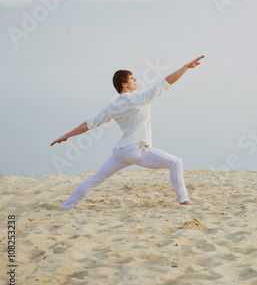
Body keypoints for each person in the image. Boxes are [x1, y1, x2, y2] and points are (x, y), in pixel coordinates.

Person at [51, 55, 205, 208]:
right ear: (124, 84)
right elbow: (168, 81)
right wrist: (185, 67)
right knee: (176, 162)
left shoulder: (112, 107)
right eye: (132, 78)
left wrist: (67, 135)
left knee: (96, 178)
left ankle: (67, 206)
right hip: (135, 150)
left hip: (120, 152)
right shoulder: (141, 99)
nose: (135, 80)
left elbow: (89, 124)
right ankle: (184, 201)